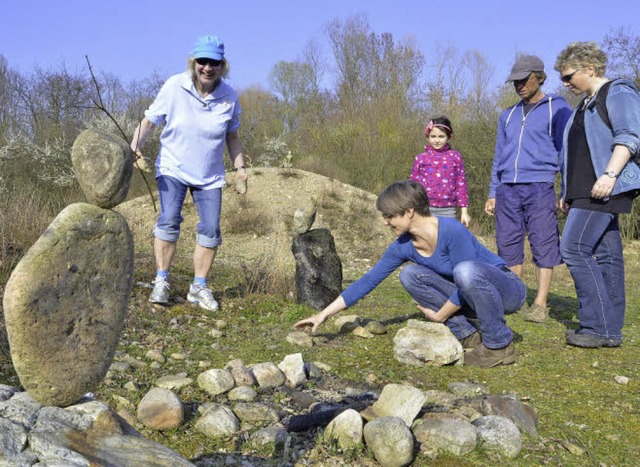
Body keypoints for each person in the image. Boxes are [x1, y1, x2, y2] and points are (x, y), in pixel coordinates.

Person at [294, 180, 527, 368]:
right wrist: (323, 315)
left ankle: (499, 345)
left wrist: (439, 315)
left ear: (408, 211)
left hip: (506, 290)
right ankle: (468, 335)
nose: (386, 222)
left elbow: (465, 279)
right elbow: (368, 280)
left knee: (464, 270)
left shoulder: (452, 230)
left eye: (389, 216)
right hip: (470, 294)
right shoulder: (403, 246)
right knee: (410, 275)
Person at [130, 34, 248, 312]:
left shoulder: (229, 96)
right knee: (169, 219)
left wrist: (240, 167)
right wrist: (132, 148)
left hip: (210, 175)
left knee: (210, 230)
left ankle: (199, 287)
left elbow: (232, 136)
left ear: (223, 65)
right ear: (193, 62)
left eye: (214, 63)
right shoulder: (174, 86)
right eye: (202, 61)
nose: (208, 68)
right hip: (173, 167)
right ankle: (161, 280)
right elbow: (150, 121)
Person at [554, 41, 640, 348]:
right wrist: (567, 192)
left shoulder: (617, 92)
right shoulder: (584, 104)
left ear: (590, 69)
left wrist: (610, 174)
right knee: (607, 256)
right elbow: (576, 152)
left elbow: (629, 136)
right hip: (585, 190)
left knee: (574, 249)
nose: (564, 83)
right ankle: (611, 329)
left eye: (568, 76)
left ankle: (596, 326)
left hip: (604, 186)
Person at [484, 55, 572, 323]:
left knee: (544, 243)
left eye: (525, 80)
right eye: (515, 81)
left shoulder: (557, 109)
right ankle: (514, 298)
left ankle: (540, 303)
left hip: (540, 186)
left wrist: (565, 189)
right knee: (507, 245)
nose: (520, 85)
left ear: (540, 78)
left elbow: (566, 151)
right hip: (507, 189)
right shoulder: (507, 115)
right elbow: (499, 156)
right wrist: (492, 192)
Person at [410, 117, 471, 227]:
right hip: (424, 208)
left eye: (441, 136)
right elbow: (413, 186)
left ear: (449, 137)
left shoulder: (455, 157)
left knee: (445, 240)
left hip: (448, 210)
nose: (437, 140)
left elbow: (461, 184)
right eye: (433, 136)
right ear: (427, 137)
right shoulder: (420, 159)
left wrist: (464, 212)